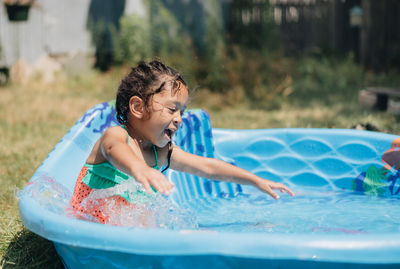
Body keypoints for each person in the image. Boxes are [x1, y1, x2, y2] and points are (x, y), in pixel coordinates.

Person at [70, 60, 294, 224]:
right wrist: (140, 169)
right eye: (171, 109)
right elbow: (113, 150)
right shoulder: (116, 136)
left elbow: (208, 167)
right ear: (138, 107)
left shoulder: (162, 152)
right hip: (88, 225)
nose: (178, 118)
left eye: (181, 111)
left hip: (124, 226)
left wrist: (254, 180)